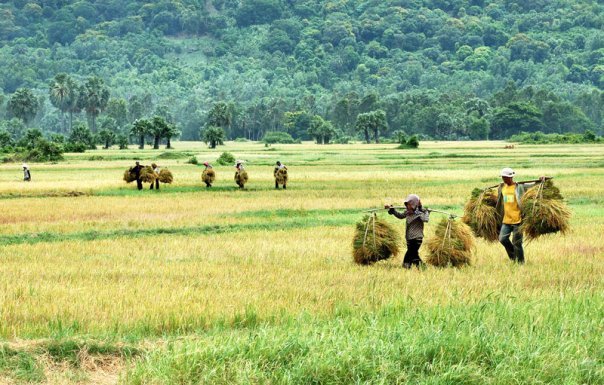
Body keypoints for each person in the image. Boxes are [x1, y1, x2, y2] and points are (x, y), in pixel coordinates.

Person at [496, 167, 545, 264]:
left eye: (505, 177)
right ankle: (514, 257)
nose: (504, 179)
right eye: (502, 177)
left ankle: (520, 263)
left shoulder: (520, 186)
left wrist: (541, 181)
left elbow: (533, 186)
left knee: (517, 243)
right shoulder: (502, 187)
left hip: (518, 220)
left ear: (511, 177)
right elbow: (499, 200)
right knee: (502, 239)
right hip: (506, 219)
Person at [385, 194, 430, 269]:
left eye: (409, 205)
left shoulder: (419, 213)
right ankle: (417, 267)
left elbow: (426, 219)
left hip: (416, 238)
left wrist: (426, 212)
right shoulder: (407, 212)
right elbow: (400, 216)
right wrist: (392, 210)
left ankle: (408, 267)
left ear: (414, 205)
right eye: (407, 205)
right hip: (409, 238)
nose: (407, 206)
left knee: (410, 254)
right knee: (413, 254)